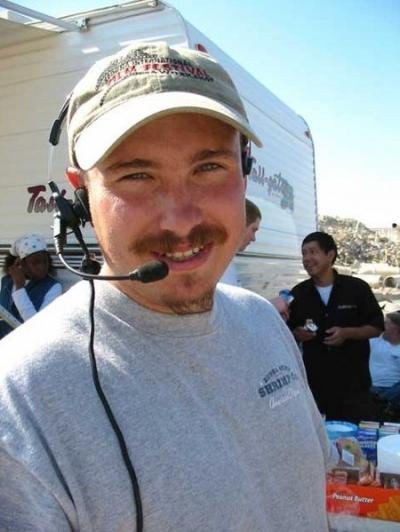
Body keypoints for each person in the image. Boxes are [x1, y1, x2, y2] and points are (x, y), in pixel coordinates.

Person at [0, 42, 335, 531]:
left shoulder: (263, 321)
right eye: (137, 175)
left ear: (244, 172)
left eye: (209, 168)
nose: (180, 221)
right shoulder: (20, 404)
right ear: (80, 197)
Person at [287, 231, 384, 421]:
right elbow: (288, 331)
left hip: (354, 386)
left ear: (330, 255)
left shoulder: (357, 288)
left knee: (355, 436)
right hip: (315, 387)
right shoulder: (298, 293)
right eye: (304, 253)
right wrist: (298, 334)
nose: (307, 259)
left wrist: (347, 333)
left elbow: (377, 327)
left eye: (313, 252)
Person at [0, 233, 62, 339]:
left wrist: (19, 289)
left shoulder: (53, 287)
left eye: (45, 261)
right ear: (21, 264)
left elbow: (35, 325)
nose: (42, 267)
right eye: (35, 263)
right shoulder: (6, 281)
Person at [219, 197, 261, 285]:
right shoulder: (219, 269)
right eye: (253, 230)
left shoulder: (225, 263)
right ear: (239, 225)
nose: (254, 238)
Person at [369, 310, 400, 408]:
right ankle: (383, 402)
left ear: (395, 327)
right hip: (373, 387)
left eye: (386, 323)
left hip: (393, 389)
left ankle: (383, 401)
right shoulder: (373, 342)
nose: (381, 325)